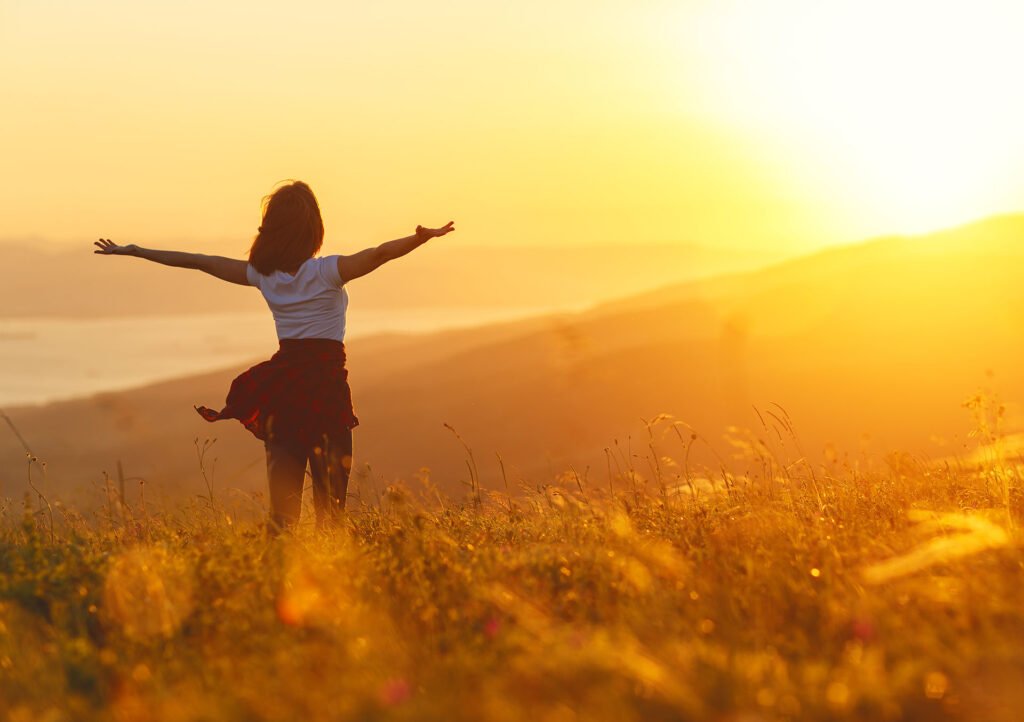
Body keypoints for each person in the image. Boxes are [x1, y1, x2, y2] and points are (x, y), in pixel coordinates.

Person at [94, 180, 454, 530]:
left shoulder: (262, 275)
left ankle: (273, 582)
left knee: (282, 519)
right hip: (326, 397)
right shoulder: (327, 272)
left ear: (271, 230)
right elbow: (379, 254)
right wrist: (420, 239)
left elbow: (199, 261)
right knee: (332, 516)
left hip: (283, 395)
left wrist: (136, 250)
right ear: (313, 229)